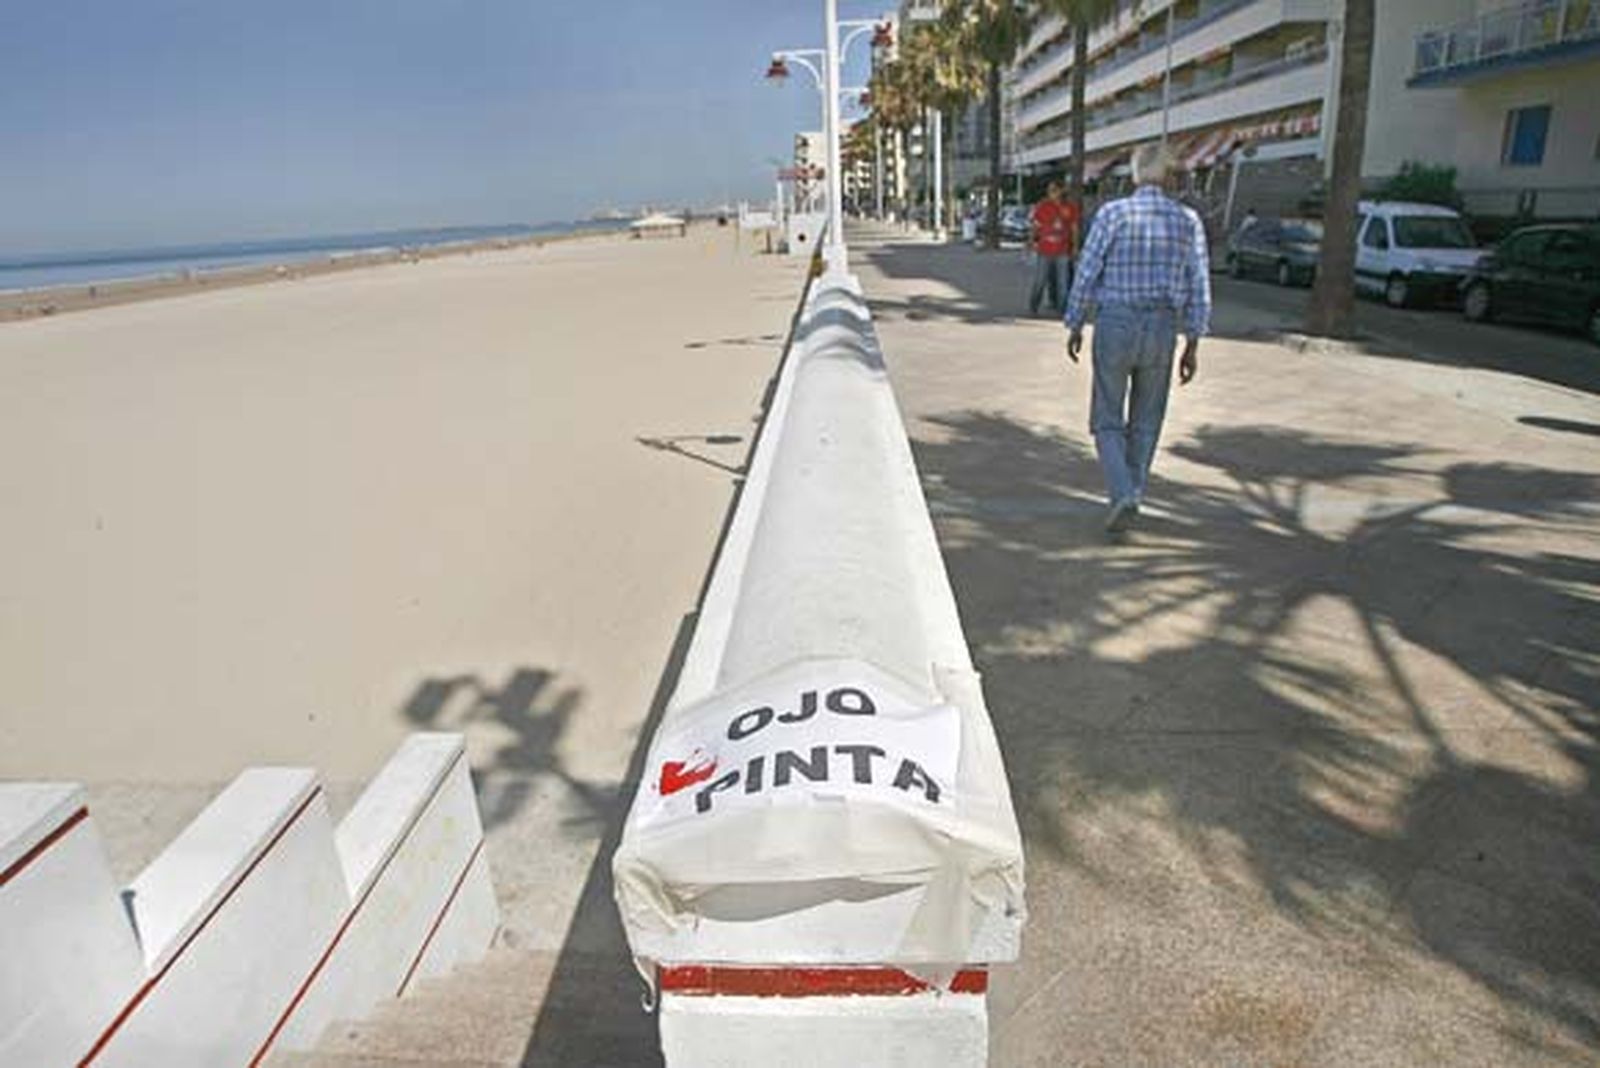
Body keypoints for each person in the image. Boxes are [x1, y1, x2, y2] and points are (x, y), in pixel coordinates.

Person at [1063, 140, 1211, 534]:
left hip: (1116, 322)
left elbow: (1087, 271)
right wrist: (1193, 341)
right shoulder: (1188, 221)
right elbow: (1199, 284)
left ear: (1135, 174)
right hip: (1162, 326)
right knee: (1147, 420)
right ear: (1168, 175)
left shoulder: (1113, 214)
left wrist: (1075, 322)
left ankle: (1123, 493)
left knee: (1106, 417)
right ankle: (1133, 492)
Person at [1028, 180, 1079, 316]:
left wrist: (1075, 247)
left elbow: (1074, 229)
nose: (1051, 193)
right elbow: (1036, 226)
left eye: (1054, 190)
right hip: (1044, 250)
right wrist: (1031, 241)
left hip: (1063, 250)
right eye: (1050, 190)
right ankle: (1033, 305)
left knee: (1063, 282)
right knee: (1040, 280)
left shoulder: (1070, 207)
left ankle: (1062, 310)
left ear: (1061, 191)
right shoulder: (1043, 206)